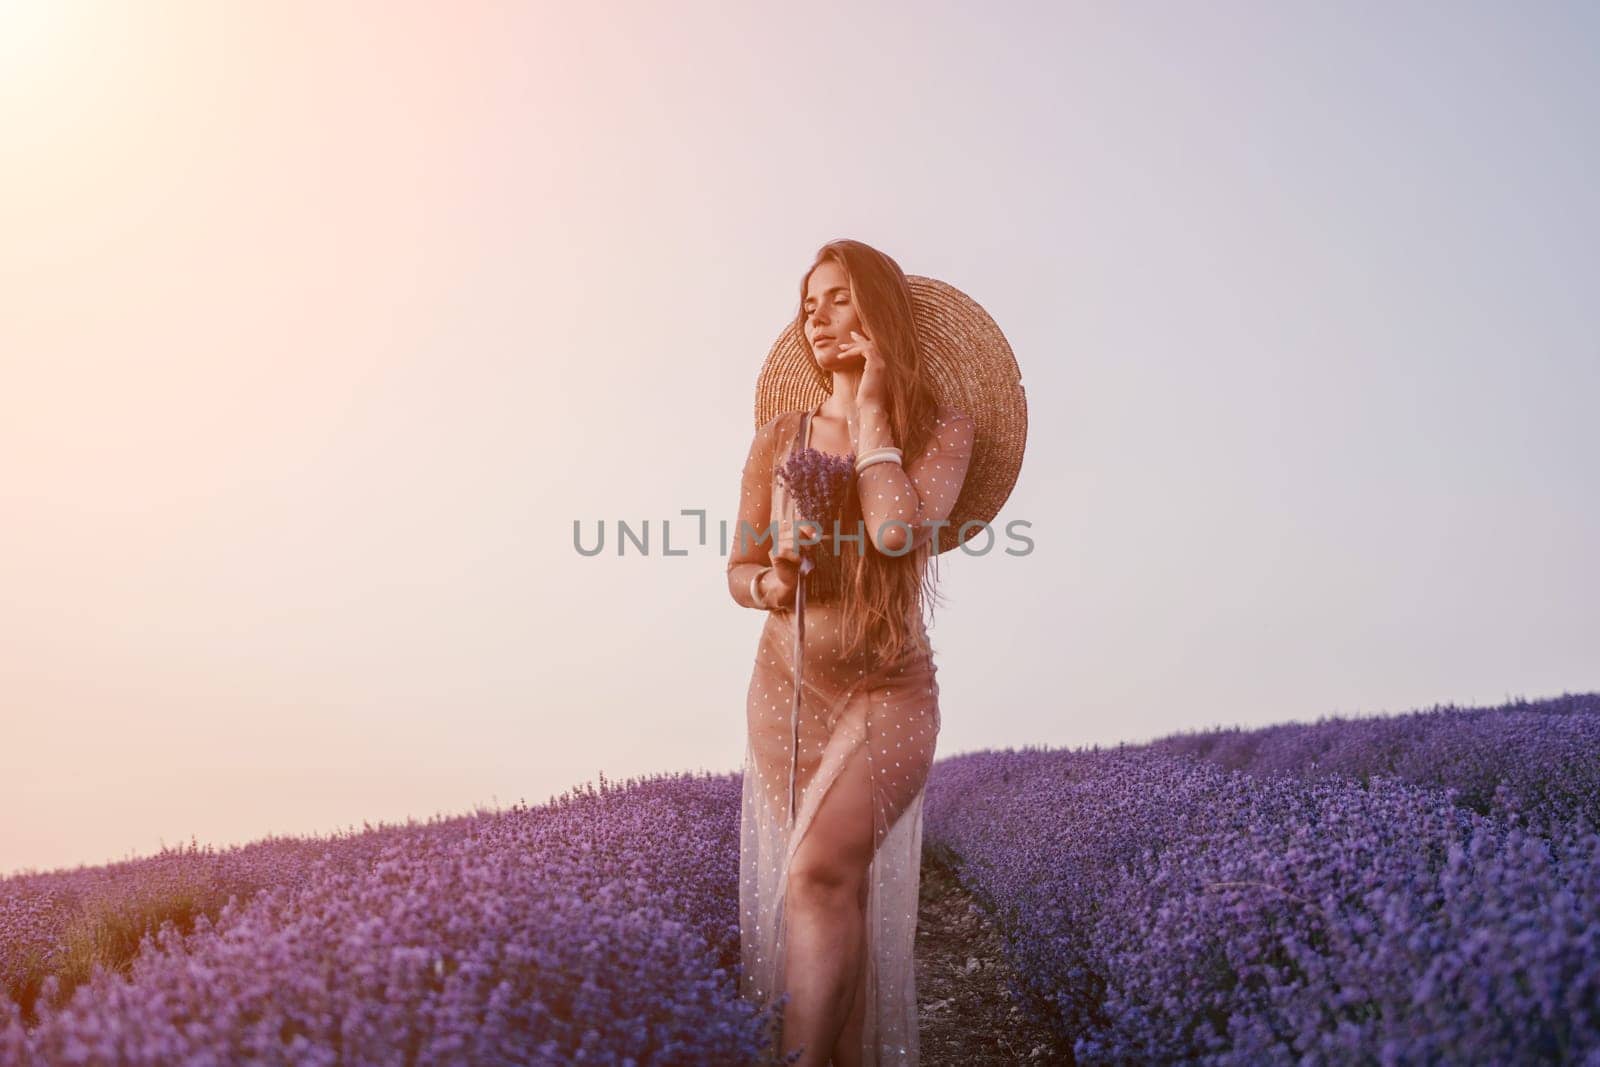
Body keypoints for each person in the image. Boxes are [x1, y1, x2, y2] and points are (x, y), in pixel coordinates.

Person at [728, 238, 1023, 1066]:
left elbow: (897, 531)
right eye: (809, 302)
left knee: (818, 875)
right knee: (832, 889)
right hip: (783, 685)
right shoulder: (778, 437)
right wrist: (774, 580)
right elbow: (739, 569)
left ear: (880, 314)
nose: (818, 316)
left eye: (841, 298)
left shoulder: (942, 430)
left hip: (888, 690)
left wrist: (869, 415)